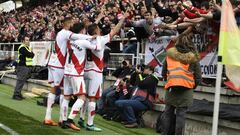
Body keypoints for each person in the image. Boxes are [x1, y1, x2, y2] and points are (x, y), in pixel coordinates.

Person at [78, 11, 129, 131]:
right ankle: (90, 124)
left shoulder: (87, 38)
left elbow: (91, 29)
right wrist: (123, 19)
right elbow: (114, 31)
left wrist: (98, 19)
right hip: (95, 72)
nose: (100, 29)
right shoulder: (100, 39)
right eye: (98, 28)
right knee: (92, 98)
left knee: (84, 96)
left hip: (85, 70)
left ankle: (81, 118)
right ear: (96, 31)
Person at [44, 17, 93, 126]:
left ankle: (48, 117)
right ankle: (62, 119)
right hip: (59, 66)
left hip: (52, 63)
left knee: (53, 90)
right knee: (63, 92)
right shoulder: (66, 33)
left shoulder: (61, 33)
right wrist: (91, 37)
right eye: (72, 22)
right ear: (68, 23)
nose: (73, 24)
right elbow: (77, 36)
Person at [61, 22, 101, 131]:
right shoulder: (83, 41)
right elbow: (97, 47)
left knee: (66, 97)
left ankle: (63, 120)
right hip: (76, 73)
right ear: (82, 31)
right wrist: (97, 37)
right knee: (82, 98)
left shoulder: (70, 41)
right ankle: (69, 120)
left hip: (67, 71)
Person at [161, 34, 202, 135]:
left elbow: (163, 73)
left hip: (172, 87)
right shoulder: (193, 57)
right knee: (181, 115)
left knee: (168, 113)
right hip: (186, 89)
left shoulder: (169, 55)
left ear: (177, 42)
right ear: (190, 43)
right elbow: (198, 77)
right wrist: (192, 87)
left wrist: (170, 80)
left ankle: (164, 133)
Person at [12, 36, 34, 100]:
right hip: (22, 67)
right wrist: (31, 53)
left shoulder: (27, 48)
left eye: (28, 40)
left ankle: (18, 94)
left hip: (26, 67)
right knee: (20, 81)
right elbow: (30, 55)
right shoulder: (22, 47)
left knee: (22, 81)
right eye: (26, 40)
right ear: (23, 41)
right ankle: (16, 95)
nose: (28, 41)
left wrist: (31, 53)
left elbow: (32, 55)